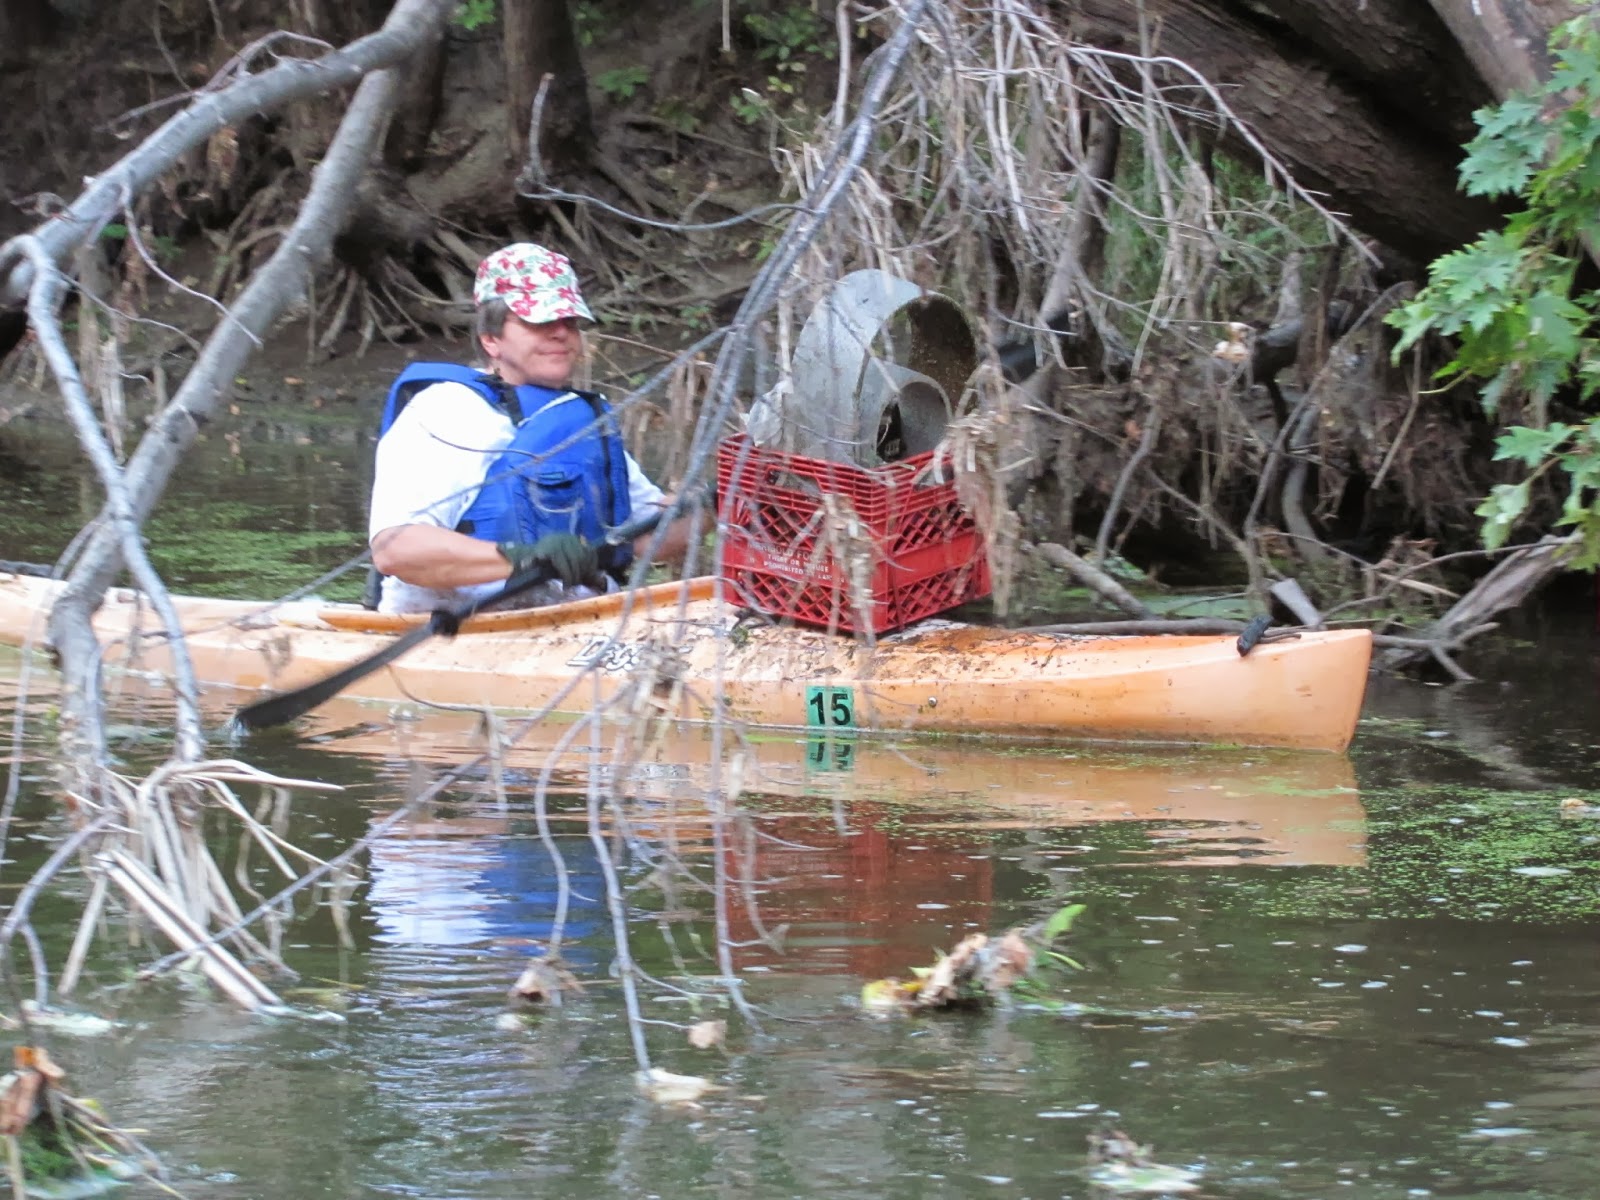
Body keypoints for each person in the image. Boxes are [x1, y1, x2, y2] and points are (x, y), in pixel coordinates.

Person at [368, 243, 694, 614]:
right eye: (539, 322)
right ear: (491, 339)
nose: (560, 334)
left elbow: (649, 538)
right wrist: (523, 558)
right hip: (459, 629)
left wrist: (712, 507)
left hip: (575, 623)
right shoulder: (447, 411)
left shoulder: (578, 419)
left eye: (569, 322)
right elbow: (396, 549)